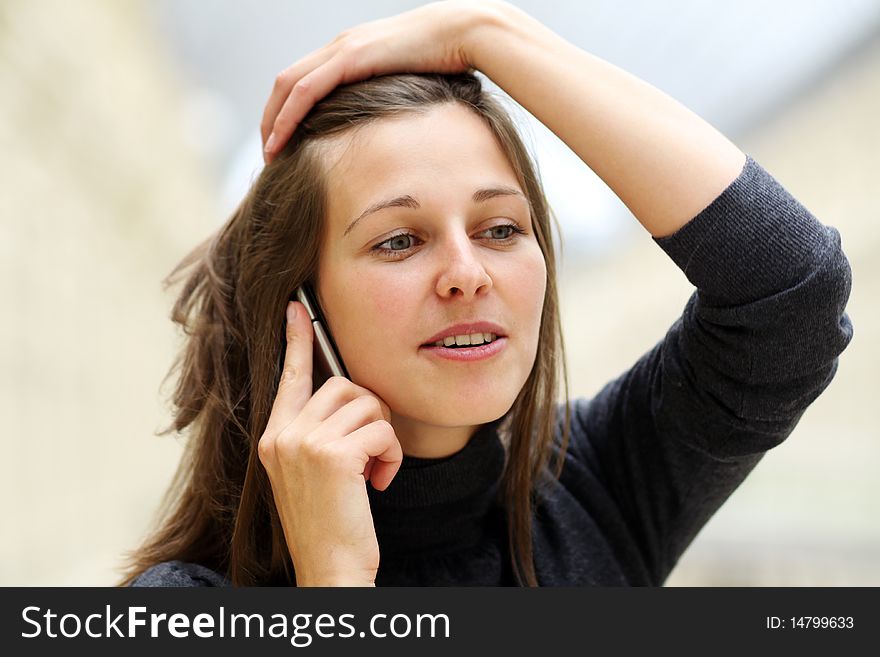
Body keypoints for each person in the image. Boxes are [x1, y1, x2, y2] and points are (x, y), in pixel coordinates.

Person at [123, 0, 853, 587]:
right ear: (300, 309)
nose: (468, 272)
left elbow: (792, 293)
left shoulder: (596, 490)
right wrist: (337, 582)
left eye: (501, 227)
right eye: (399, 240)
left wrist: (487, 31)